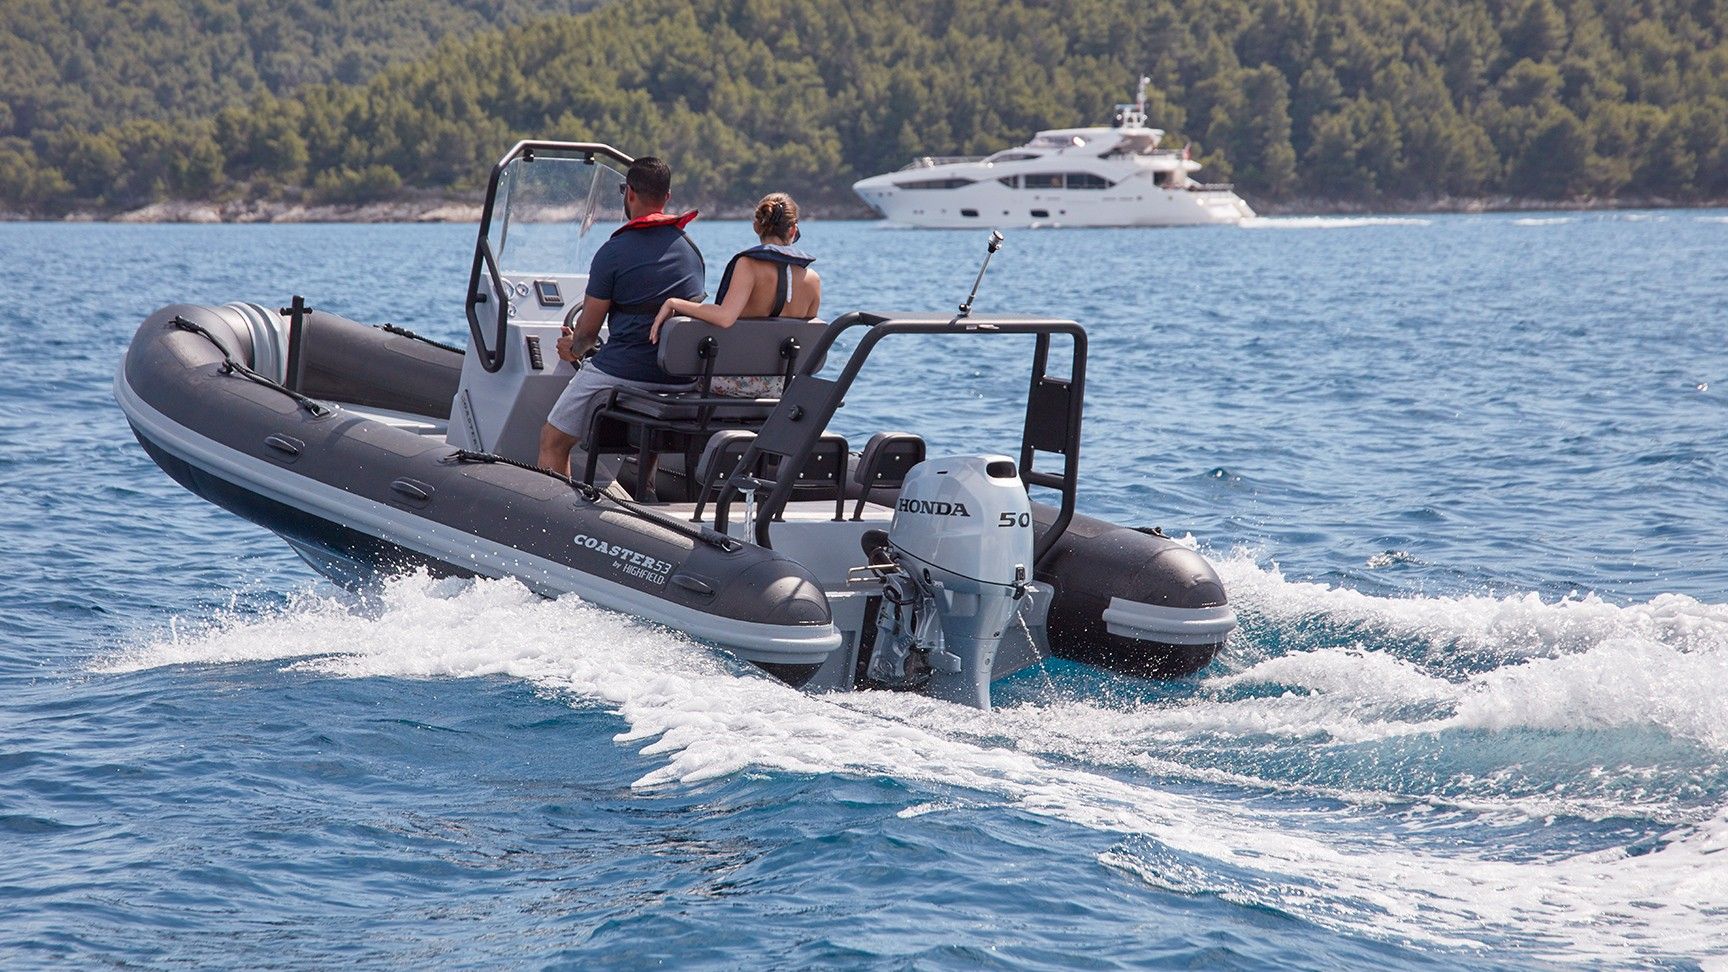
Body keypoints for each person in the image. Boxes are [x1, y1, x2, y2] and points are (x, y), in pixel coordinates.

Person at [538, 156, 705, 477]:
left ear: (629, 192)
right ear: (667, 197)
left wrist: (571, 349)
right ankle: (648, 485)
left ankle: (554, 517)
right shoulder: (690, 250)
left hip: (625, 372)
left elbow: (587, 336)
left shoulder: (613, 253)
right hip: (678, 378)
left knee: (553, 438)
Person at [650, 192, 820, 397]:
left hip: (734, 384)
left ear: (757, 226)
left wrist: (674, 302)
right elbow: (809, 341)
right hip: (782, 390)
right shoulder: (812, 279)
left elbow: (725, 317)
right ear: (793, 230)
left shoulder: (748, 265)